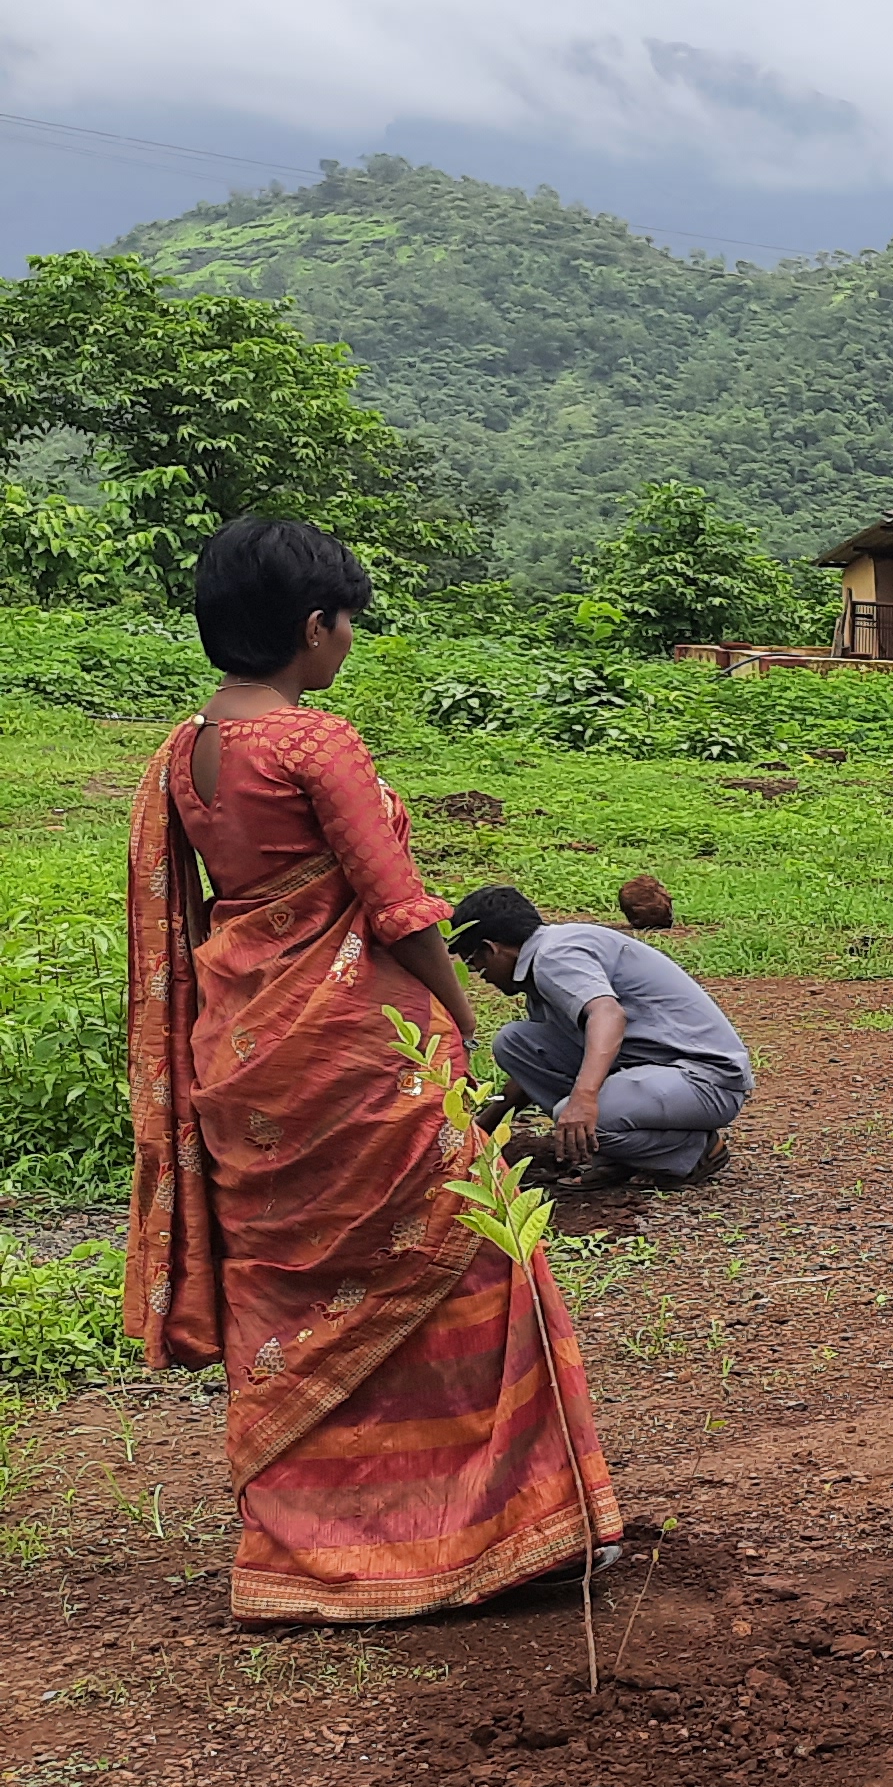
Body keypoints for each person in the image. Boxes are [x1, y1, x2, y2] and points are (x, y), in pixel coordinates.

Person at [121, 516, 621, 1626]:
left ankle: (306, 1557)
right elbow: (398, 908)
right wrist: (453, 1012)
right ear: (313, 629)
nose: (347, 643)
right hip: (359, 1050)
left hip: (246, 1054)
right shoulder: (314, 744)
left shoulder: (184, 749)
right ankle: (492, 1537)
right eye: (346, 624)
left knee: (290, 1294)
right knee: (475, 1267)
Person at [443, 885, 754, 1188]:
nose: (481, 975)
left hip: (706, 1079)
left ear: (491, 948)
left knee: (573, 1113)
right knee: (516, 1041)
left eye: (475, 963)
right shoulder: (545, 960)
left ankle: (694, 1150)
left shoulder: (554, 956)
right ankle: (618, 1149)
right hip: (657, 1072)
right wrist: (480, 1131)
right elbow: (529, 1074)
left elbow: (607, 1015)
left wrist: (583, 1101)